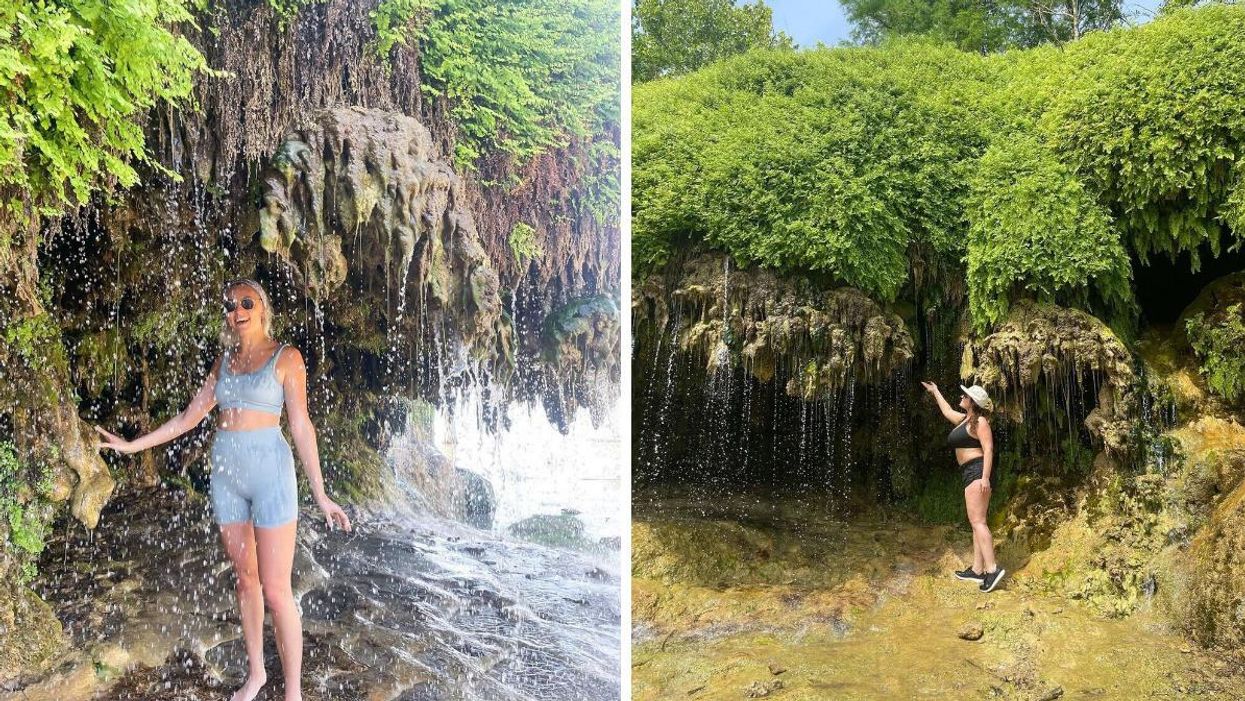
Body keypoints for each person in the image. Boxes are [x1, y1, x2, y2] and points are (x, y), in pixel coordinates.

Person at [95, 277, 352, 701]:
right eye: (230, 305)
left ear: (262, 307)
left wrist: (321, 495)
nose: (237, 311)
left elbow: (302, 426)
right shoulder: (224, 363)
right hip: (227, 477)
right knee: (246, 580)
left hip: (271, 473)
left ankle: (294, 693)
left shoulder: (287, 358)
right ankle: (256, 675)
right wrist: (131, 445)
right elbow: (187, 419)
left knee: (276, 588)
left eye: (245, 302)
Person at [920, 381, 1005, 593]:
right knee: (977, 522)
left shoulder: (981, 422)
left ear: (972, 402)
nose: (961, 397)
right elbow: (947, 410)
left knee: (978, 522)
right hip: (969, 473)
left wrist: (985, 477)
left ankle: (992, 569)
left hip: (978, 472)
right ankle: (977, 570)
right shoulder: (965, 420)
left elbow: (989, 449)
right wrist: (936, 391)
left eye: (964, 395)